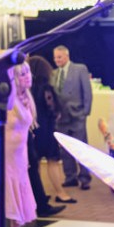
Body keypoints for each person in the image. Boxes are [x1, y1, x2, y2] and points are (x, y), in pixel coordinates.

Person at [28, 54, 71, 208]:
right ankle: (60, 193)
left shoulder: (27, 89)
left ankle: (38, 194)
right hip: (47, 129)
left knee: (36, 164)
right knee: (53, 161)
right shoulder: (46, 89)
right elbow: (53, 109)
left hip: (34, 130)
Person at [4, 62, 38, 227]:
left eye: (28, 72)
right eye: (22, 74)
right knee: (7, 196)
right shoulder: (9, 99)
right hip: (6, 155)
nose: (28, 76)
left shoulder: (27, 98)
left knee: (19, 194)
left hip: (19, 154)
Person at [52, 44, 92, 189]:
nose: (57, 60)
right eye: (55, 57)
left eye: (59, 57)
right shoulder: (54, 73)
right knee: (65, 149)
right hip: (61, 117)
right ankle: (70, 177)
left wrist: (85, 112)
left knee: (81, 147)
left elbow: (87, 92)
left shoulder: (80, 69)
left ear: (66, 56)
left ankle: (85, 178)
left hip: (77, 115)